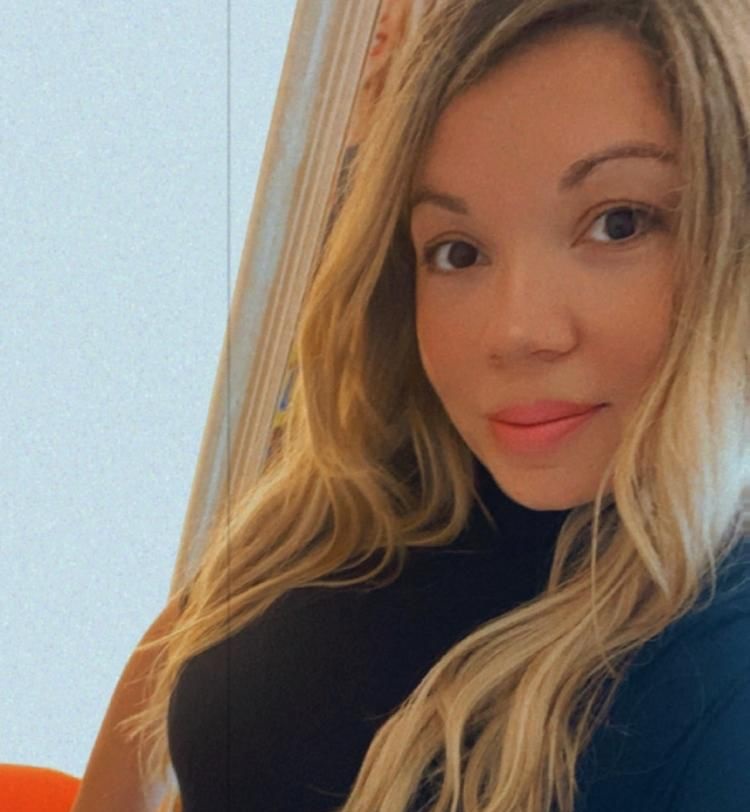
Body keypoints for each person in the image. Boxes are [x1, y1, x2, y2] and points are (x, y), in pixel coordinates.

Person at [71, 1, 750, 811]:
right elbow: (190, 642)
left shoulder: (717, 667)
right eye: (458, 251)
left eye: (618, 224)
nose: (515, 331)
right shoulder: (375, 482)